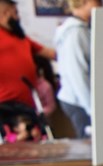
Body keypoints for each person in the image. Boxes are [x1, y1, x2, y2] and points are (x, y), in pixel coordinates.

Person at [0, 0, 55, 140]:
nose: (18, 17)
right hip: (4, 105)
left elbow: (51, 53)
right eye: (15, 13)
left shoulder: (22, 39)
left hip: (27, 105)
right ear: (5, 13)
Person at [54, 0, 99, 139]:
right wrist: (93, 110)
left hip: (81, 99)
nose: (100, 4)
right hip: (79, 101)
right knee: (90, 145)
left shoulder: (83, 29)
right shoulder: (76, 33)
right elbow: (78, 75)